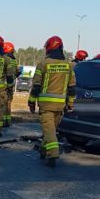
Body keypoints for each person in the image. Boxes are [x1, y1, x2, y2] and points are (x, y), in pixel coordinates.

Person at [28, 35, 76, 168]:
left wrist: (31, 102)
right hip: (60, 105)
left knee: (50, 132)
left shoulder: (43, 64)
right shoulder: (68, 65)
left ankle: (53, 154)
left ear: (48, 48)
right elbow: (72, 87)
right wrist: (71, 103)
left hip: (46, 105)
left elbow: (36, 85)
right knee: (50, 130)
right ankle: (44, 150)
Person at [2, 41, 21, 127]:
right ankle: (7, 121)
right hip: (11, 84)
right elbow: (17, 72)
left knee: (1, 103)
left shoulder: (5, 59)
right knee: (8, 103)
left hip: (4, 84)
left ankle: (1, 121)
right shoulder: (14, 60)